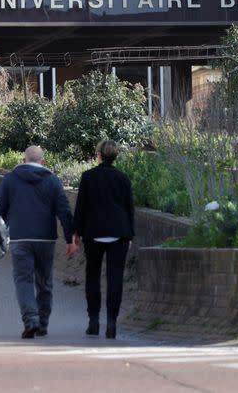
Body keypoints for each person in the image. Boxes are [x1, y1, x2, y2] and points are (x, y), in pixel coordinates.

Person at [0, 145, 78, 339]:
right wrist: (70, 238)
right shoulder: (53, 180)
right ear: (43, 162)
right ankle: (43, 323)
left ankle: (31, 319)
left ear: (24, 160)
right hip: (46, 238)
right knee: (45, 282)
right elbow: (64, 211)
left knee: (23, 280)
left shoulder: (11, 179)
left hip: (20, 238)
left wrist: (0, 233)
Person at [73, 140, 134, 339]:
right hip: (119, 232)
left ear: (99, 155)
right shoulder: (123, 178)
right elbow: (129, 208)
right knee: (115, 277)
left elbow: (81, 207)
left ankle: (93, 321)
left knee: (92, 275)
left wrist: (76, 232)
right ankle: (112, 323)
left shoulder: (88, 177)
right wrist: (129, 233)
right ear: (115, 156)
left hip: (94, 232)